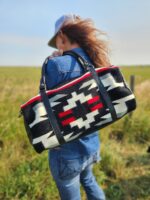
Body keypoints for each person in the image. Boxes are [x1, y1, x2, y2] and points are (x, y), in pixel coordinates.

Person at [46, 14, 110, 200]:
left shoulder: (56, 65)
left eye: (57, 40)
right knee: (89, 180)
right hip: (91, 145)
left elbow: (45, 107)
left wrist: (53, 61)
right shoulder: (96, 60)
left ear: (62, 36)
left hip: (67, 152)